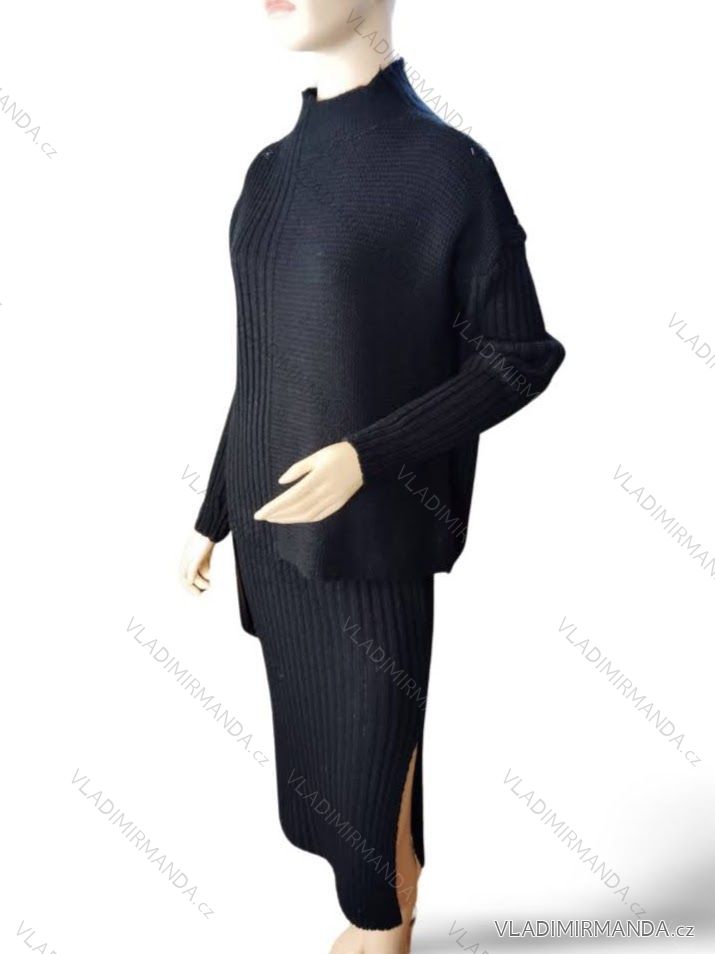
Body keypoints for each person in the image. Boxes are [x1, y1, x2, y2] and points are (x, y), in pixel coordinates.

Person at [180, 2, 565, 951]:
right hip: (273, 537)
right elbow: (260, 367)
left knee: (371, 739)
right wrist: (214, 512)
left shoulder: (446, 167)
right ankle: (388, 899)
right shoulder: (268, 174)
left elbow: (517, 356)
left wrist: (367, 456)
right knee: (320, 752)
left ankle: (381, 919)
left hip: (371, 535)